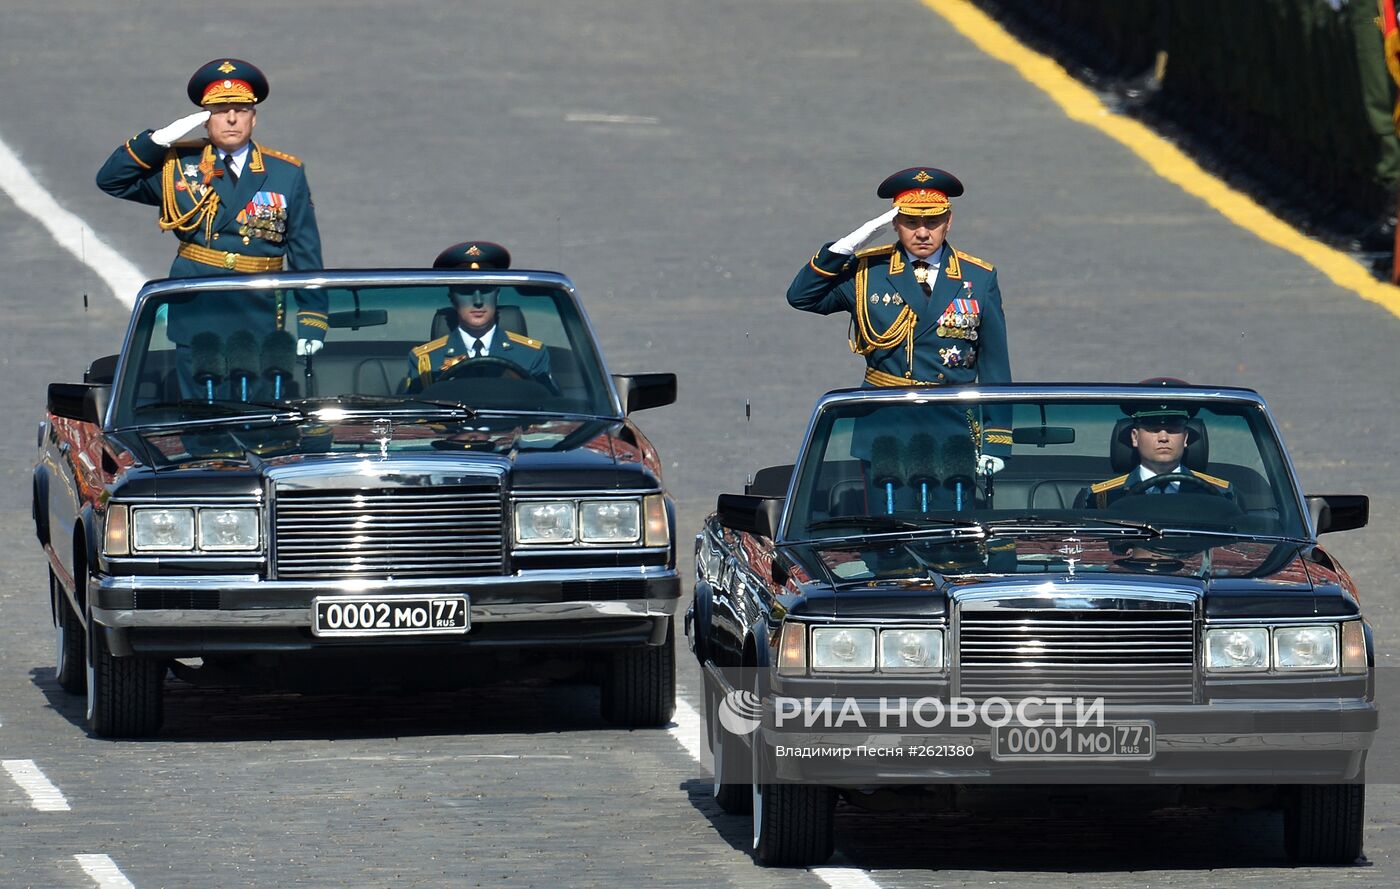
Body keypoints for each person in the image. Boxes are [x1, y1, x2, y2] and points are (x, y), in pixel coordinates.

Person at [787, 167, 1012, 494]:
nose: (923, 233)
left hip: (953, 428)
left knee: (956, 534)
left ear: (949, 221)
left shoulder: (978, 277)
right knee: (885, 532)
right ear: (894, 224)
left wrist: (996, 442)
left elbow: (995, 366)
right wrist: (851, 243)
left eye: (933, 222)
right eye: (911, 222)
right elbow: (802, 297)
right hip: (885, 426)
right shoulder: (867, 272)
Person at [96, 58, 328, 372]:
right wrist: (155, 142)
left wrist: (312, 321)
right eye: (220, 112)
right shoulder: (177, 166)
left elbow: (305, 253)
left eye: (241, 111)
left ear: (253, 118)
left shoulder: (285, 173)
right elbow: (111, 180)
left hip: (256, 309)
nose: (231, 119)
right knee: (197, 408)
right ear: (205, 120)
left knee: (259, 409)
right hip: (198, 309)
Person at [404, 242, 550, 391]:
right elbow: (416, 410)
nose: (478, 301)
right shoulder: (427, 360)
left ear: (497, 295)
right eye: (466, 290)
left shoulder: (531, 355)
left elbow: (550, 408)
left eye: (486, 289)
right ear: (452, 298)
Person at [1076, 404, 1234, 509]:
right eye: (1153, 429)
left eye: (1172, 429)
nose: (1163, 438)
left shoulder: (1219, 494)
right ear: (1135, 437)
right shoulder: (1102, 498)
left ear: (1185, 438)